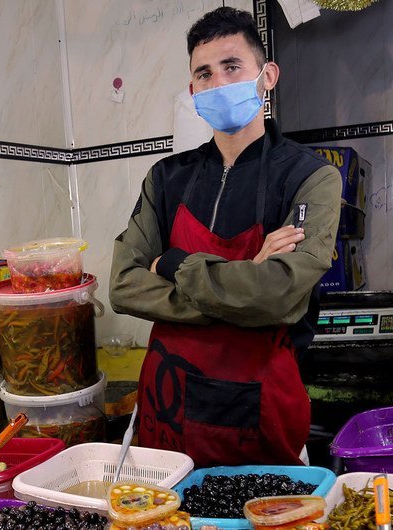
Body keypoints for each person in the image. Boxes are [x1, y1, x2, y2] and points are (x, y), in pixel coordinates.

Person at [108, 6, 341, 467]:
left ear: (266, 75)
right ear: (193, 91)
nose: (217, 83)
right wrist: (243, 283)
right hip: (168, 409)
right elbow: (122, 284)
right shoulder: (166, 177)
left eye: (231, 67)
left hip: (261, 407)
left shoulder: (310, 177)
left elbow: (277, 296)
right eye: (204, 74)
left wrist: (173, 265)